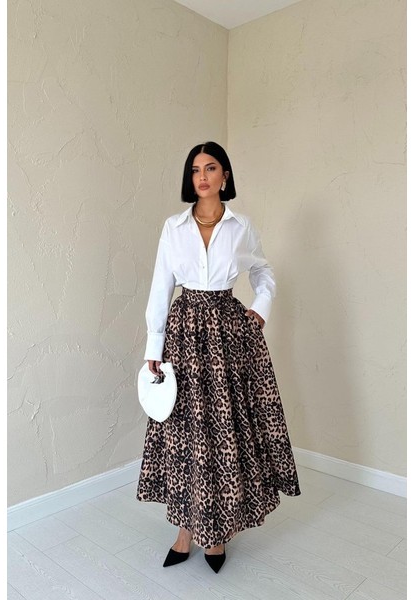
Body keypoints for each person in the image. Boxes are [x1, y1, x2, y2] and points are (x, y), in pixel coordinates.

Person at [136, 141, 300, 573]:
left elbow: (262, 271)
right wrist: (154, 345)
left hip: (228, 333)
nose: (202, 176)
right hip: (184, 334)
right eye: (195, 170)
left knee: (224, 429)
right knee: (186, 431)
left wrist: (259, 309)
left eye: (211, 168)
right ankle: (185, 532)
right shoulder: (173, 227)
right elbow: (161, 285)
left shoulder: (241, 226)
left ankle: (217, 535)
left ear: (225, 176)